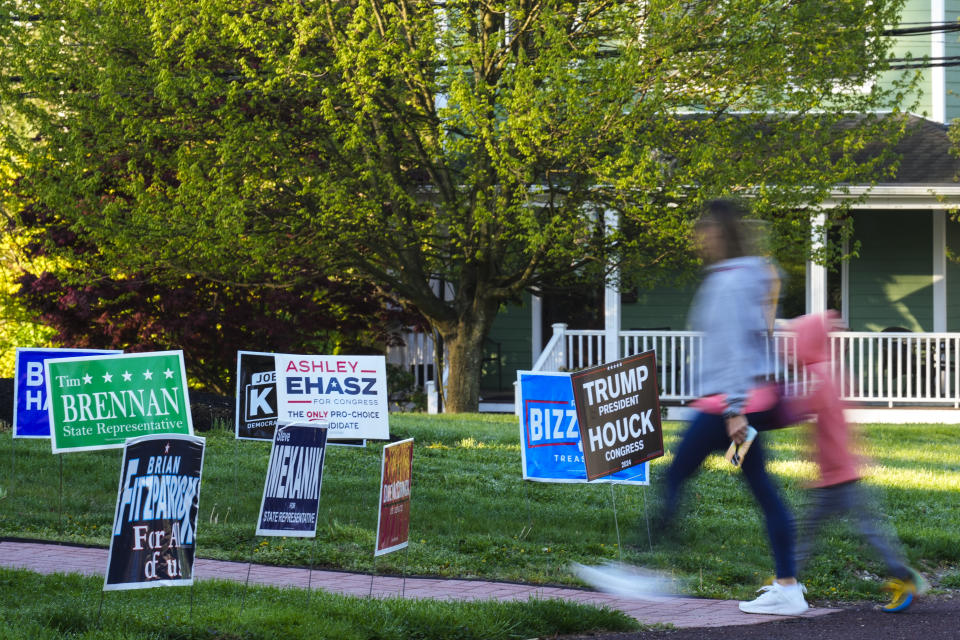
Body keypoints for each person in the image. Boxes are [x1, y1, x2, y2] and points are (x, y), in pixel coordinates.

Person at [656, 199, 808, 616]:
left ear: (720, 232)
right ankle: (788, 586)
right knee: (761, 486)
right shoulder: (747, 276)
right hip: (741, 402)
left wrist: (734, 410)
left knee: (674, 477)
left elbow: (735, 349)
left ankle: (645, 568)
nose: (697, 236)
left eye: (703, 228)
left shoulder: (730, 281)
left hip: (728, 404)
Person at [789, 311, 928, 613]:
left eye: (796, 342)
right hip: (841, 472)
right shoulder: (830, 372)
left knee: (813, 531)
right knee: (863, 531)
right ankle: (905, 576)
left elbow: (800, 410)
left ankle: (786, 583)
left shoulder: (821, 378)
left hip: (837, 476)